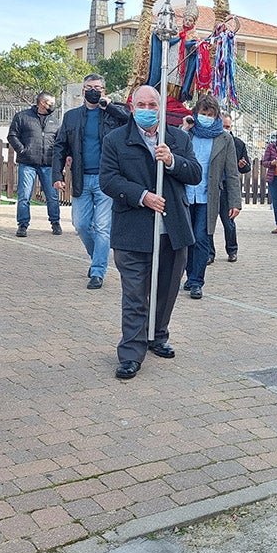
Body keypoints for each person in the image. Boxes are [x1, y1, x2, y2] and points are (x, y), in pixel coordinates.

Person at [99, 85, 202, 379]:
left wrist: (171, 161)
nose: (146, 109)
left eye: (151, 104)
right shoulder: (116, 140)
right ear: (132, 108)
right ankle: (131, 352)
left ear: (160, 108)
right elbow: (109, 180)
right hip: (133, 230)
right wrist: (142, 195)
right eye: (141, 104)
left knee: (167, 289)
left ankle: (157, 335)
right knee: (135, 294)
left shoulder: (178, 138)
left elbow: (194, 173)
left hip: (173, 229)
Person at [52, 74, 129, 289]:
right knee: (81, 225)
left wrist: (109, 106)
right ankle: (98, 256)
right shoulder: (72, 116)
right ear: (82, 91)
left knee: (103, 227)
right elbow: (60, 146)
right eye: (89, 87)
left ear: (104, 91)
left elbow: (130, 119)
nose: (93, 91)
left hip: (107, 178)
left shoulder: (113, 114)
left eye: (97, 87)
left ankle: (97, 271)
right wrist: (57, 175)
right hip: (81, 177)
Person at [182, 94, 242, 299]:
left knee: (201, 238)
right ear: (196, 114)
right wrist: (184, 129)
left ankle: (197, 281)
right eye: (203, 113)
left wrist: (235, 202)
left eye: (210, 114)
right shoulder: (188, 134)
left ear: (216, 116)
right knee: (186, 239)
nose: (206, 117)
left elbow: (232, 172)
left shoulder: (224, 138)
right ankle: (189, 276)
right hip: (186, 195)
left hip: (209, 197)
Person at [7, 92, 62, 237]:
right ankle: (22, 225)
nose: (53, 106)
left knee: (52, 195)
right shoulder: (23, 117)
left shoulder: (55, 121)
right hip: (28, 162)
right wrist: (22, 150)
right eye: (51, 103)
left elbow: (60, 141)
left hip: (48, 163)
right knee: (24, 195)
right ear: (42, 103)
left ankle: (55, 222)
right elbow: (12, 135)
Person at [208, 113, 251, 263]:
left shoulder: (238, 143)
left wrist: (243, 166)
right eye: (223, 126)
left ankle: (232, 250)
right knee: (208, 222)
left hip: (227, 188)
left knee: (229, 222)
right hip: (212, 186)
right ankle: (209, 253)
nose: (226, 129)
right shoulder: (212, 140)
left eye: (228, 127)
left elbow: (246, 167)